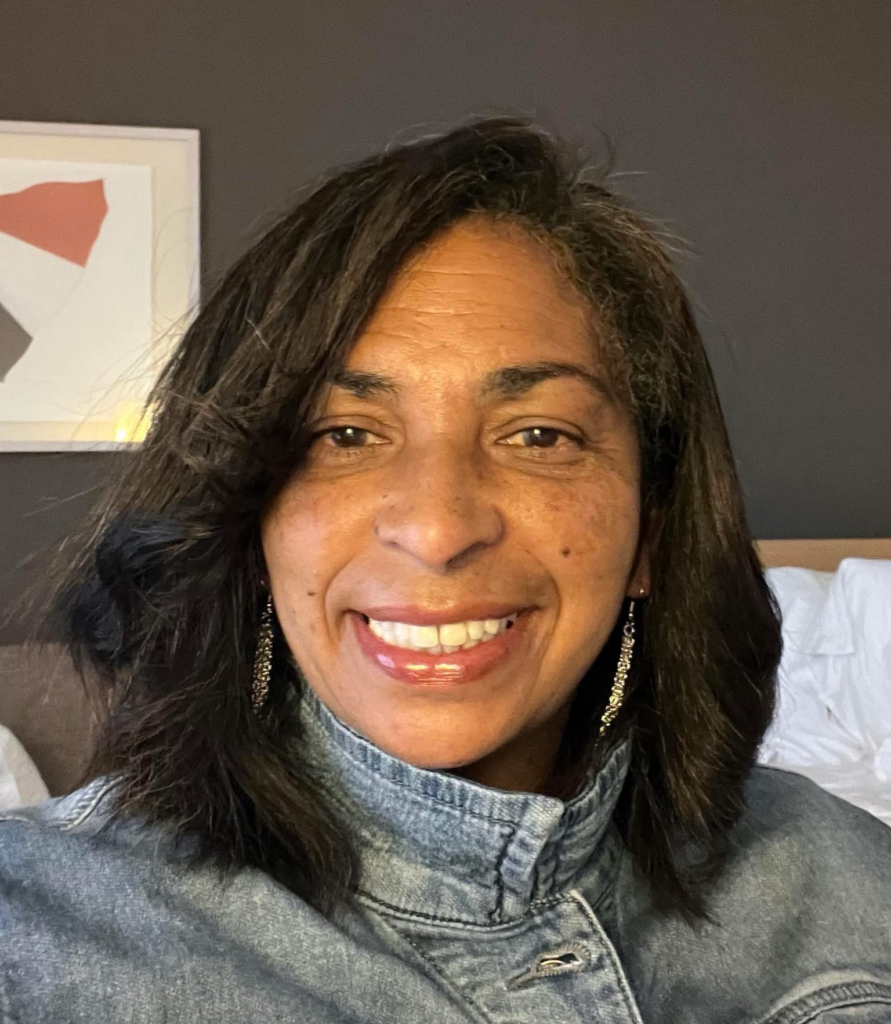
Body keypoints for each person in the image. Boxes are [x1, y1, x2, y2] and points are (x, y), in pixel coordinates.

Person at [1, 118, 889, 1023]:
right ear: (250, 520)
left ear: (648, 535)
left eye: (537, 435)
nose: (435, 528)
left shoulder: (848, 882)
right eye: (343, 435)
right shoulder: (34, 936)